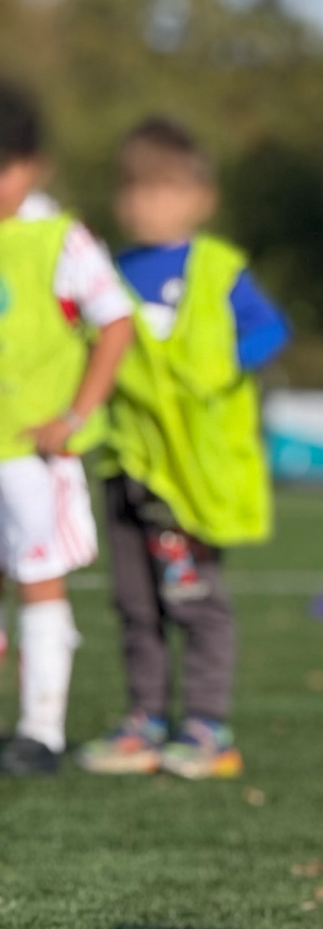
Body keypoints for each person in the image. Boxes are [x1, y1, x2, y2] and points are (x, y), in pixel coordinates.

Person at [77, 118, 288, 779]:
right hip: (129, 464)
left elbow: (269, 329)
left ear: (201, 199)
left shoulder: (217, 270)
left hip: (189, 476)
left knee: (194, 600)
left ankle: (205, 725)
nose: (146, 203)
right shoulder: (106, 270)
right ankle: (144, 719)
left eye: (164, 190)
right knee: (134, 605)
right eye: (134, 190)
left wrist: (223, 368)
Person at [0, 81, 134, 776]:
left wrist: (74, 415)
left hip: (30, 452)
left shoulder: (60, 239)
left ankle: (39, 731)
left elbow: (116, 321)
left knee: (38, 577)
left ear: (34, 166)